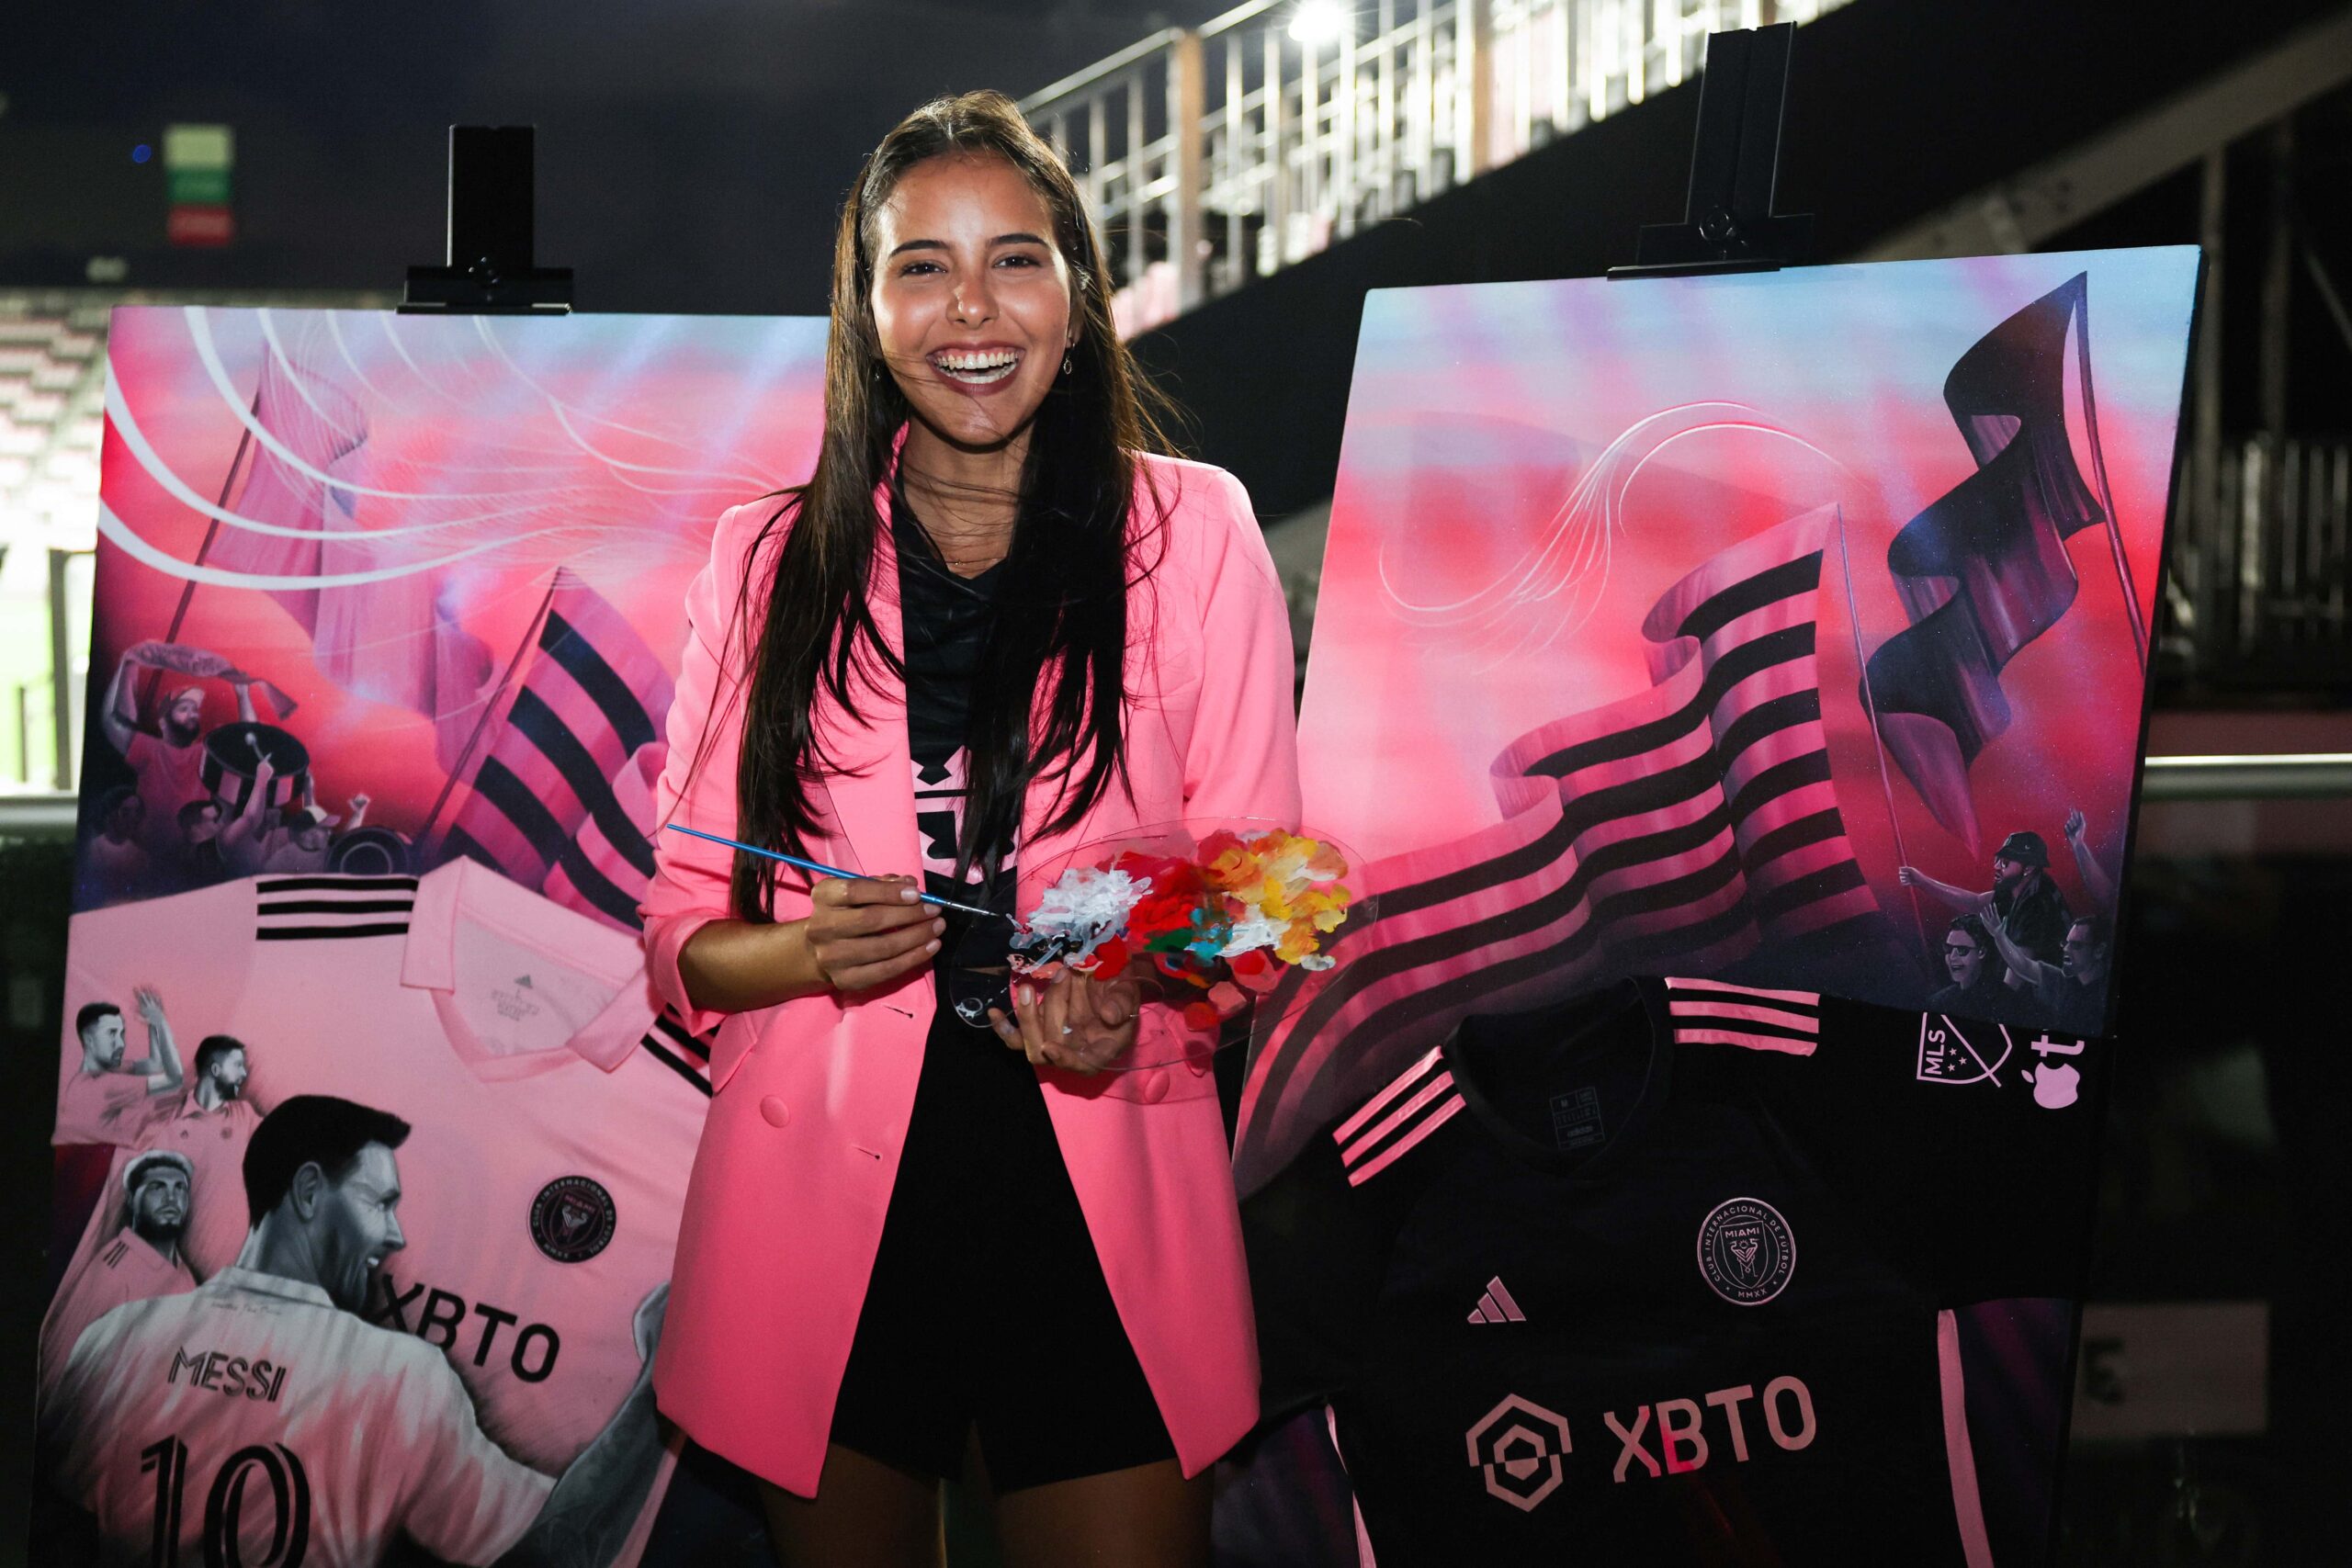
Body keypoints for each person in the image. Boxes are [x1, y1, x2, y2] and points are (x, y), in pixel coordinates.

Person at [642, 90, 1299, 1567]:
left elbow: (1265, 883)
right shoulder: (766, 561)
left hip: (1104, 1202)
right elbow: (680, 933)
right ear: (867, 307)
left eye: (1015, 257)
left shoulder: (1194, 530)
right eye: (920, 265)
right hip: (825, 1213)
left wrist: (1136, 998)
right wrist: (810, 948)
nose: (971, 308)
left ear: (1076, 288)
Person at [40, 1095, 670, 1568]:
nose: (396, 1234)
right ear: (310, 1190)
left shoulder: (116, 1337)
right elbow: (557, 1551)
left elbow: (51, 1520)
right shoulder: (400, 1378)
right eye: (380, 1201)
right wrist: (658, 1382)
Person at [37, 1149, 198, 1394]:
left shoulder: (184, 1272)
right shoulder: (111, 1271)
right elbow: (63, 1367)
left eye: (180, 1188)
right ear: (132, 1199)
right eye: (157, 1187)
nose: (171, 1198)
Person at [98, 655, 257, 859]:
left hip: (194, 856)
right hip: (148, 856)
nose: (193, 714)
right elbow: (110, 723)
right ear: (163, 722)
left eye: (195, 710)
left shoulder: (206, 752)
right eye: (184, 709)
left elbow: (250, 738)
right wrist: (126, 665)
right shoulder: (149, 748)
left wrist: (243, 694)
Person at [153, 1032, 266, 1279]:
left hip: (240, 1270)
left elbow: (281, 1139)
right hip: (183, 1275)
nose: (244, 1074)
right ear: (215, 1069)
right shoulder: (170, 1124)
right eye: (237, 1065)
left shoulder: (245, 1115)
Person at [1899, 829, 2073, 986]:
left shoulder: (2038, 903)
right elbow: (1975, 903)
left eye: (2005, 863)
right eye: (1998, 860)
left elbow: (2019, 972)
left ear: (2028, 868)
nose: (1996, 867)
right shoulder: (2014, 887)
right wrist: (1922, 881)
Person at [55, 990, 184, 1146]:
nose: (121, 1044)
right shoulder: (103, 1086)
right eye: (111, 1034)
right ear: (89, 1040)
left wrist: (152, 1022)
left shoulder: (95, 1075)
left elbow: (155, 1064)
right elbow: (175, 1079)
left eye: (121, 1034)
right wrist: (161, 1022)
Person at [1986, 911, 2113, 1036]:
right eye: (2066, 943)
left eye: (2076, 945)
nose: (2066, 949)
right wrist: (1999, 936)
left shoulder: (2105, 994)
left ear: (2099, 951)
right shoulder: (2062, 982)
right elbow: (2024, 966)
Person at [1923, 913, 2024, 1021]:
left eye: (1962, 950)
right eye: (1948, 949)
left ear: (1981, 952)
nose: (1952, 957)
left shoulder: (2006, 1002)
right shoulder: (1937, 1002)